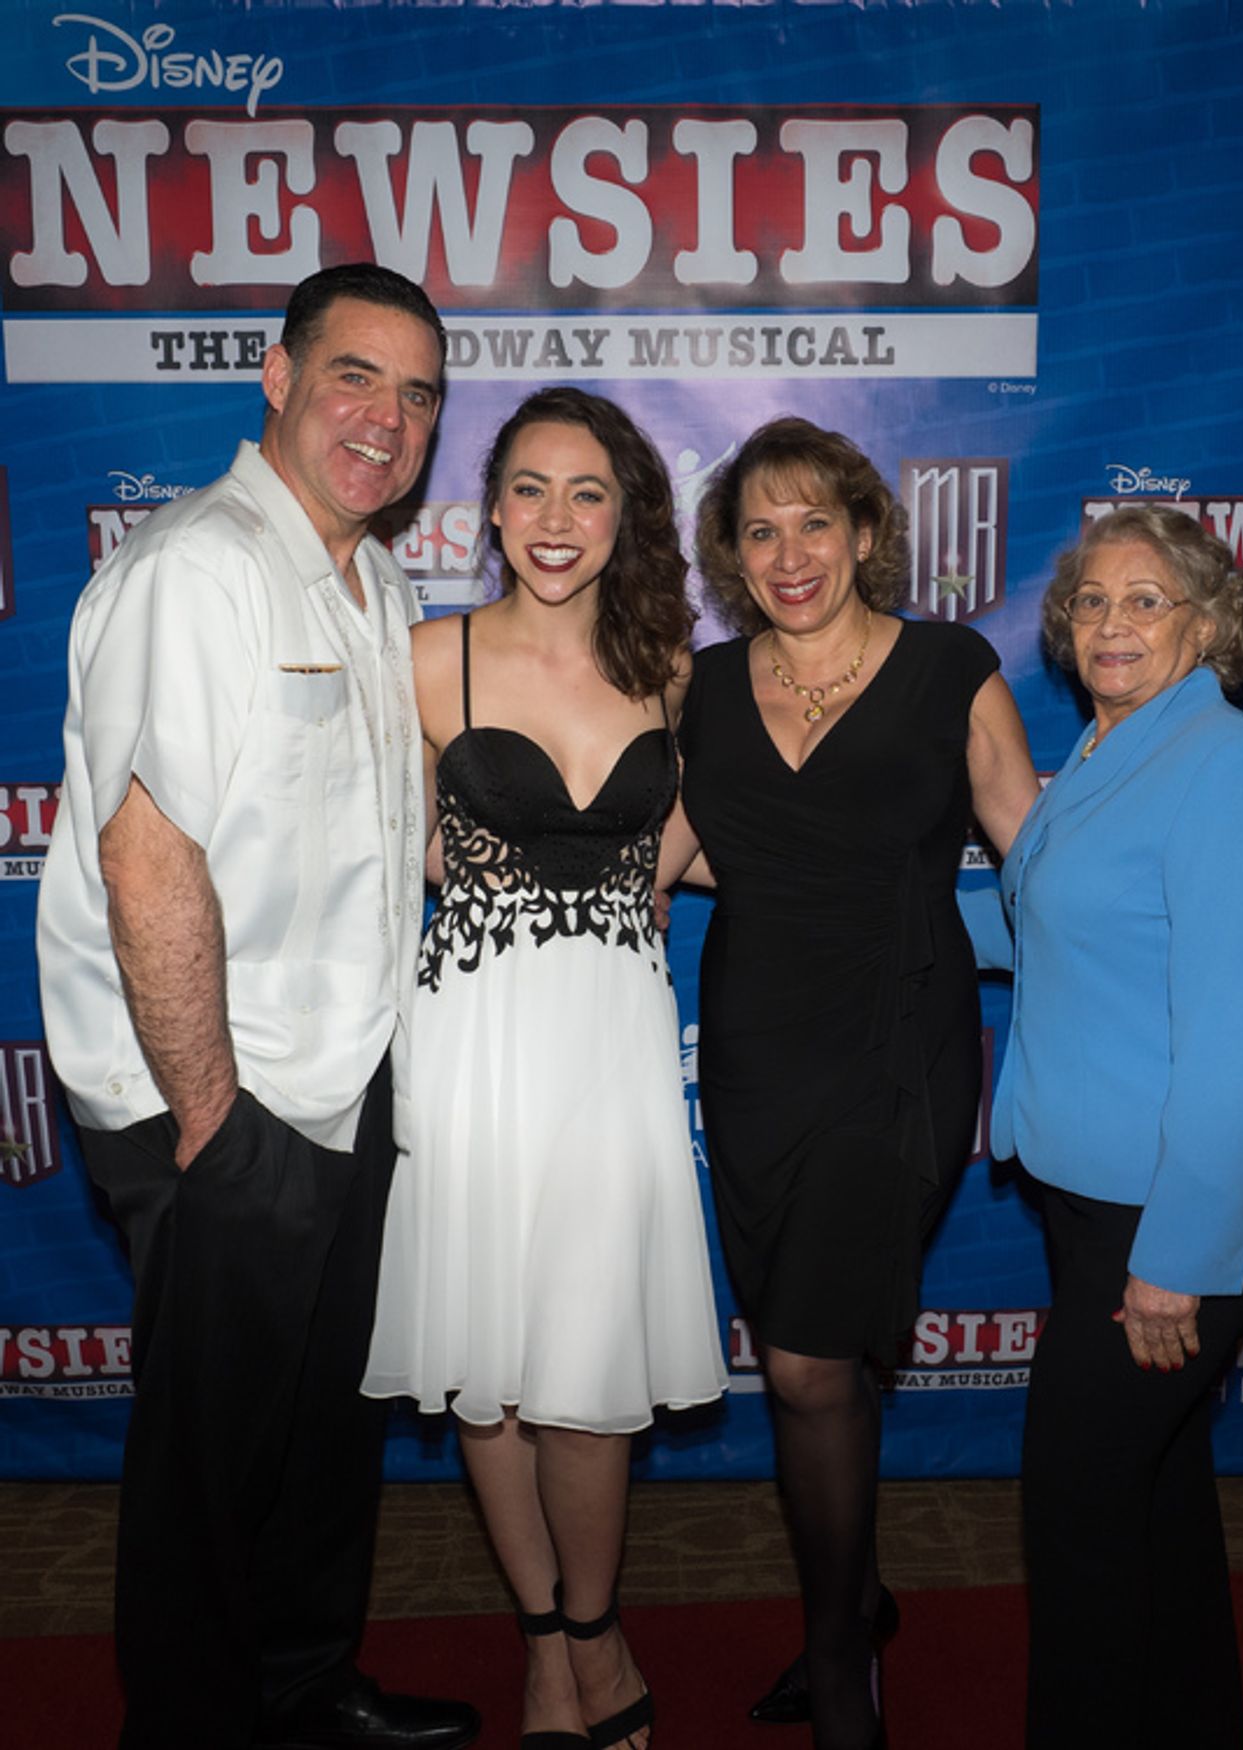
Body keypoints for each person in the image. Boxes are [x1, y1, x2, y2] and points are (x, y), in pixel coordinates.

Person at [35, 265, 482, 1750]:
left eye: (418, 394)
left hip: (343, 1084)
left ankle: (303, 1685)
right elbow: (148, 852)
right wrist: (216, 1124)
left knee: (318, 1436)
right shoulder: (199, 568)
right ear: (279, 380)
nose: (387, 418)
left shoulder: (374, 576)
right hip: (221, 1101)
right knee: (210, 1470)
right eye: (356, 376)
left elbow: (352, 822)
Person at [662, 416, 1041, 1750]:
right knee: (795, 1347)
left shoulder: (950, 666)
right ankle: (861, 1597)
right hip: (759, 1054)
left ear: (867, 532)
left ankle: (839, 1666)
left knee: (811, 1362)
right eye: (759, 529)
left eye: (814, 519)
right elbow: (653, 861)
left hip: (901, 1044)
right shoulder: (705, 691)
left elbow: (1031, 850)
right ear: (732, 556)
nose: (790, 550)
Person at [363, 387, 727, 1750]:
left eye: (586, 492)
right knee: (495, 1369)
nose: (554, 520)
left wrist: (635, 889)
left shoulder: (674, 669)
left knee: (586, 1374)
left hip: (614, 1042)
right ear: (489, 506)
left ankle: (597, 1624)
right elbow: (376, 839)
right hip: (474, 1036)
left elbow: (696, 832)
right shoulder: (424, 658)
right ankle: (544, 1640)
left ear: (627, 511)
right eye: (528, 488)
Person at [983, 504, 1243, 1748]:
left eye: (1144, 600)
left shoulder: (1223, 770)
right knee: (1153, 1494)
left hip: (1174, 1214)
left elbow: (1238, 1040)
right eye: (1088, 601)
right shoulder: (1110, 750)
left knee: (1074, 1507)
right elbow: (1047, 927)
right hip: (1094, 1197)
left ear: (1208, 622)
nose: (1109, 624)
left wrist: (1174, 1259)